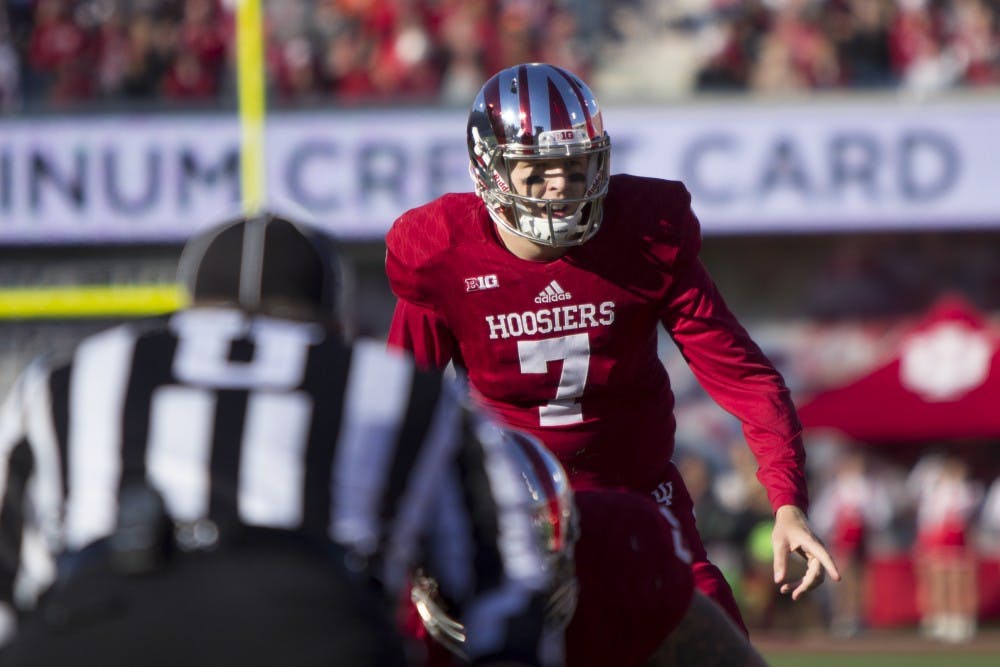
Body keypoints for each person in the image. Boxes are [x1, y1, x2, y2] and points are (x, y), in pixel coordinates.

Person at [384, 61, 839, 664]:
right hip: (504, 516)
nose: (560, 187)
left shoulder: (645, 231)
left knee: (722, 650)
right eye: (538, 171)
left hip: (637, 504)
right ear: (487, 171)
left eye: (574, 168)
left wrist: (786, 501)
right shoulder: (441, 251)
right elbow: (394, 404)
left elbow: (745, 379)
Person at [0, 209, 564, 667]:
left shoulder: (69, 378)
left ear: (188, 308)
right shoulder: (394, 387)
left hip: (98, 620)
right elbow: (508, 576)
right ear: (331, 320)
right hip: (307, 622)